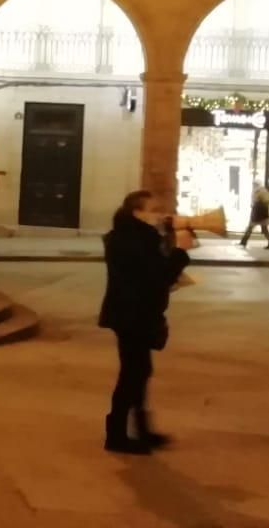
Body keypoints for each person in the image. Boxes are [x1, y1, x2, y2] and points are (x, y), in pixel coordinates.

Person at [99, 190, 189, 456]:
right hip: (131, 314)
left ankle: (141, 429)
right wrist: (181, 252)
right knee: (132, 375)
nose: (159, 214)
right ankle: (116, 435)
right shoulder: (132, 240)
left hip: (133, 312)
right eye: (153, 209)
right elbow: (158, 275)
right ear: (137, 213)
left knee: (139, 372)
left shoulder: (133, 236)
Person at [239, 184, 269, 250]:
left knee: (251, 228)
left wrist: (253, 206)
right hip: (262, 216)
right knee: (264, 230)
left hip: (257, 216)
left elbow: (254, 205)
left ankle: (244, 241)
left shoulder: (258, 194)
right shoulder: (264, 197)